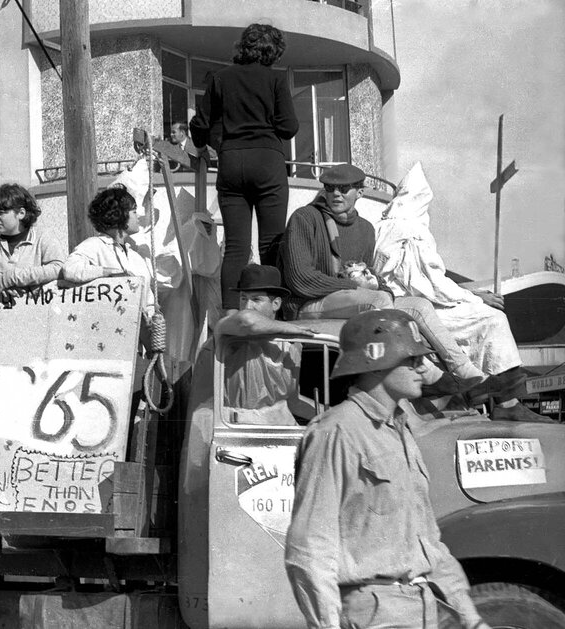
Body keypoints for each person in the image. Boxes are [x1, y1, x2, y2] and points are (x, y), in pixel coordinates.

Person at [280, 164, 547, 422]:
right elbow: (300, 279)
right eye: (330, 188)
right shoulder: (305, 218)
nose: (336, 194)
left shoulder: (365, 230)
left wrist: (372, 282)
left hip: (348, 299)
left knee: (417, 305)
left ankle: (465, 373)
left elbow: (377, 279)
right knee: (380, 300)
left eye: (344, 188)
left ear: (359, 192)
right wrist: (356, 286)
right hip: (308, 304)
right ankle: (426, 373)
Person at [285, 309, 491, 629]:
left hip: (419, 610)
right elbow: (309, 547)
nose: (422, 367)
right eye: (411, 359)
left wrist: (471, 618)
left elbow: (428, 542)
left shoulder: (400, 431)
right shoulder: (337, 431)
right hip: (372, 613)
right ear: (376, 360)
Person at [190, 22, 298, 312]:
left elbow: (199, 125)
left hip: (232, 161)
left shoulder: (220, 78)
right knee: (271, 244)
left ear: (243, 48)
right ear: (274, 53)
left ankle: (230, 315)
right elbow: (289, 127)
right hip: (267, 162)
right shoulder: (275, 81)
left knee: (236, 247)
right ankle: (276, 314)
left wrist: (204, 143)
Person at [213, 265, 318, 425]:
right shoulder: (229, 332)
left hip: (280, 430)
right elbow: (248, 320)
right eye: (243, 298)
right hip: (237, 429)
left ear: (276, 304)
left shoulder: (291, 346)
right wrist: (289, 327)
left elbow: (293, 402)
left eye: (256, 299)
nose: (247, 306)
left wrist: (334, 415)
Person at [62, 186, 156, 314]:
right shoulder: (94, 246)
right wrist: (108, 273)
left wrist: (153, 316)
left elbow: (148, 299)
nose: (138, 216)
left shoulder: (136, 258)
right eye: (134, 211)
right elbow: (70, 269)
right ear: (119, 215)